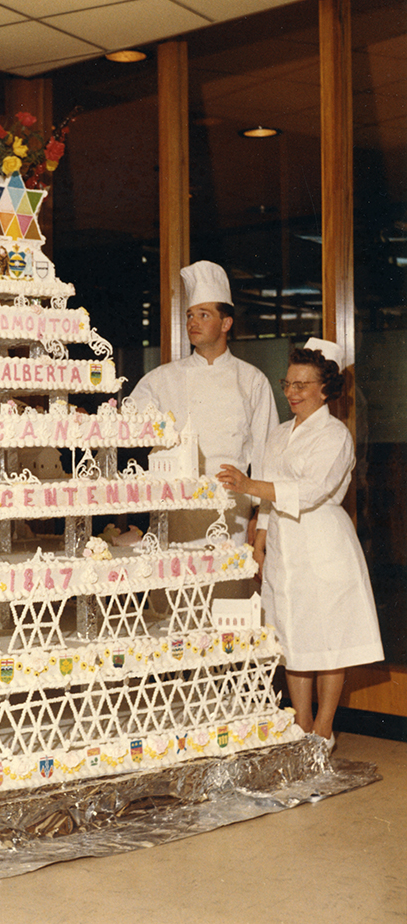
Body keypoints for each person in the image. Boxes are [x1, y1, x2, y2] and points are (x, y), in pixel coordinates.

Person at [217, 338, 384, 749]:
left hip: (322, 542)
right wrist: (259, 540)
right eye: (287, 383)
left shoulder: (335, 435)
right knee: (290, 638)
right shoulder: (277, 434)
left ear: (325, 389)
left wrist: (248, 483)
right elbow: (270, 500)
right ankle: (300, 728)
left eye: (301, 385)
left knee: (327, 638)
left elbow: (309, 491)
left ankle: (323, 731)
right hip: (285, 545)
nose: (290, 393)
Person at [128, 260, 278, 553]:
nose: (192, 323)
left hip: (231, 511)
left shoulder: (252, 381)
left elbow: (265, 454)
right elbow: (124, 426)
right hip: (175, 509)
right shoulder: (159, 380)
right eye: (190, 315)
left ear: (226, 324)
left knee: (227, 591)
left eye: (203, 315)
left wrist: (262, 517)